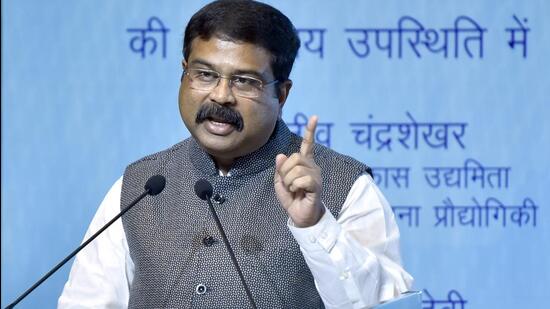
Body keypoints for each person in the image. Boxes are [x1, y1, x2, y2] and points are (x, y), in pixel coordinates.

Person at [58, 0, 413, 308]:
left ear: (282, 95)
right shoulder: (140, 185)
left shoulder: (344, 185)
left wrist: (315, 223)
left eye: (244, 81)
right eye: (205, 74)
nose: (221, 96)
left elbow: (383, 304)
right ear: (184, 75)